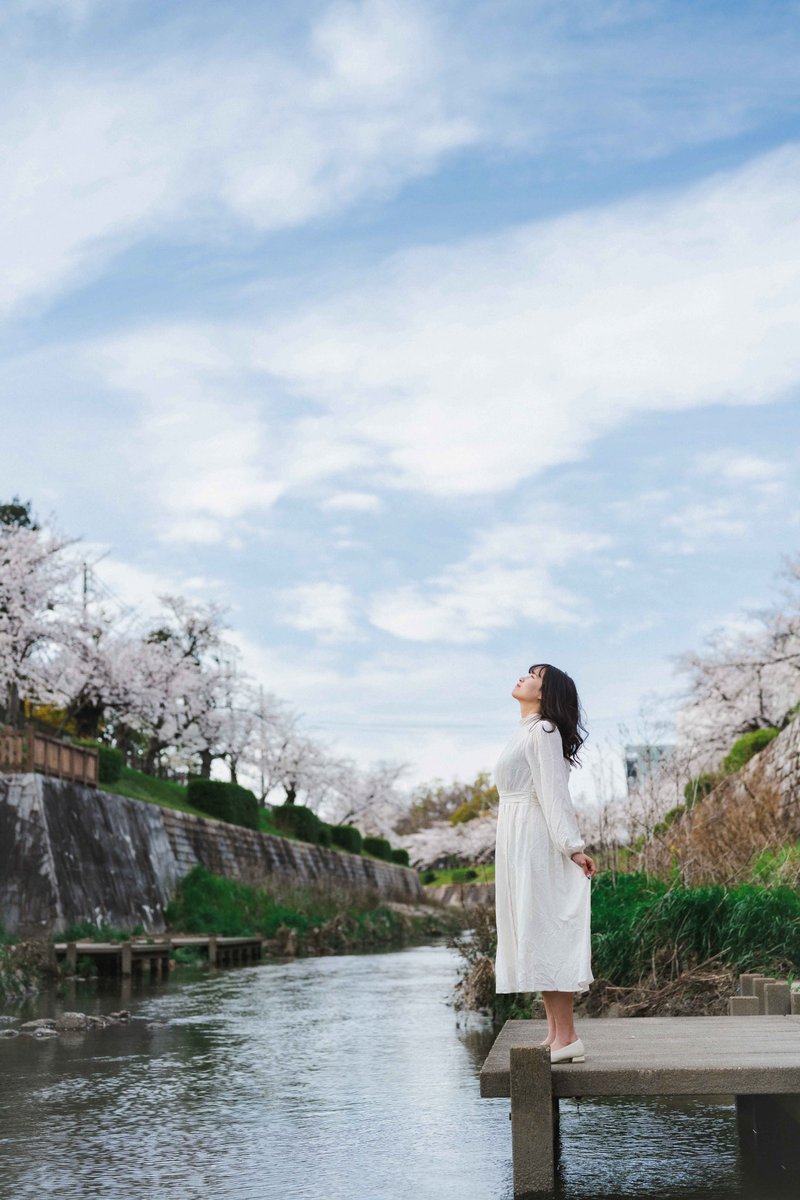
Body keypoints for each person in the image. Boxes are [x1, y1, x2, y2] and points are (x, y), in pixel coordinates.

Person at [493, 663, 597, 1064]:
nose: (523, 676)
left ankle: (567, 1036)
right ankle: (556, 1035)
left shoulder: (544, 731)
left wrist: (572, 847)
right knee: (535, 933)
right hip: (518, 839)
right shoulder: (526, 732)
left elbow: (554, 793)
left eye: (534, 674)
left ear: (545, 691)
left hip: (537, 839)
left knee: (547, 931)